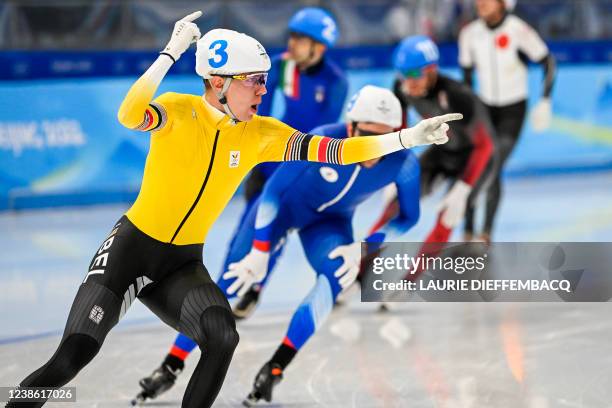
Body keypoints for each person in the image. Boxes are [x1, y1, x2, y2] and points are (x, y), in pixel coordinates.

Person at [5, 11, 460, 408]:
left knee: (223, 337)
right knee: (71, 359)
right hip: (130, 252)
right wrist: (168, 54)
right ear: (219, 83)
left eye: (264, 78)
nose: (264, 88)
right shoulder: (176, 112)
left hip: (181, 263)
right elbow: (128, 114)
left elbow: (338, 151)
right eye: (255, 80)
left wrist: (408, 138)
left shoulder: (261, 133)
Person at [132, 85, 421, 405]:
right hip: (279, 213)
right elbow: (272, 193)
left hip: (328, 223)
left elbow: (409, 216)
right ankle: (171, 364)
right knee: (232, 281)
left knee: (337, 277)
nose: (373, 151)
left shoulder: (404, 162)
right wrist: (259, 248)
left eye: (382, 139)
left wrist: (366, 246)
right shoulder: (325, 138)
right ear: (351, 126)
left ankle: (275, 368)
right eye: (366, 137)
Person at [133, 7, 349, 403]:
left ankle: (255, 289)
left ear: (320, 47)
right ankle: (173, 364)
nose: (292, 44)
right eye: (293, 36)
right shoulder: (278, 69)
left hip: (298, 173)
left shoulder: (336, 81)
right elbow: (253, 117)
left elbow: (318, 138)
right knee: (234, 267)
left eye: (301, 39)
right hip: (260, 169)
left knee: (258, 259)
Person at [369, 35, 495, 276]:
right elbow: (401, 133)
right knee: (395, 204)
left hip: (477, 160)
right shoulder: (401, 88)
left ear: (432, 70)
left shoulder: (459, 95)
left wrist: (464, 188)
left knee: (448, 215)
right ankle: (359, 269)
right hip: (443, 152)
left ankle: (410, 280)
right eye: (403, 74)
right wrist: (394, 171)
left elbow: (486, 145)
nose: (409, 82)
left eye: (415, 75)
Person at [458, 0, 556, 242]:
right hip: (484, 109)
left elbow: (548, 62)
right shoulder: (469, 35)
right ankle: (469, 230)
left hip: (512, 111)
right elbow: (467, 79)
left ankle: (485, 232)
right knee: (475, 164)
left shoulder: (518, 30)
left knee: (493, 161)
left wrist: (545, 100)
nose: (481, 3)